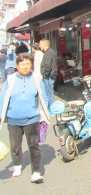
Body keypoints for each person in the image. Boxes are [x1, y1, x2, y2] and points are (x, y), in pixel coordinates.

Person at [0, 53, 50, 183]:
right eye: (22, 64)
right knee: (15, 145)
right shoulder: (10, 79)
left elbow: (43, 97)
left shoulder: (37, 78)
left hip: (32, 118)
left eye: (27, 64)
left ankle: (36, 172)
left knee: (34, 145)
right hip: (13, 118)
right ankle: (17, 165)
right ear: (17, 66)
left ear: (31, 65)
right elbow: (3, 98)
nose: (25, 67)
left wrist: (45, 114)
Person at [39, 39, 57, 106]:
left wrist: (45, 74)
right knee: (48, 94)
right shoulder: (49, 52)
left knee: (48, 94)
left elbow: (48, 64)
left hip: (48, 76)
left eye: (40, 44)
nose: (39, 46)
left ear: (44, 45)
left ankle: (51, 109)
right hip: (49, 75)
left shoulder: (49, 52)